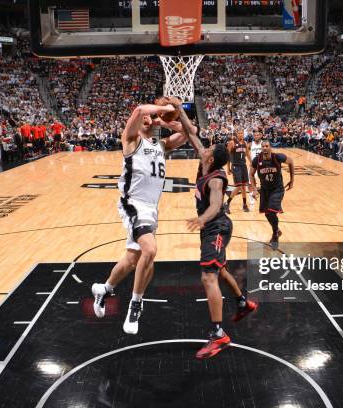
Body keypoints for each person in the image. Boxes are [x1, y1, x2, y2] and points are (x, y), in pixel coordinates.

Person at [91, 99, 189, 335]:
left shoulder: (161, 145)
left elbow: (190, 133)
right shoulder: (131, 139)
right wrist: (164, 110)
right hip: (133, 204)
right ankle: (135, 305)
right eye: (148, 116)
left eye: (152, 117)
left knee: (133, 260)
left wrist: (171, 122)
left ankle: (104, 289)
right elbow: (139, 110)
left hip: (152, 209)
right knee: (151, 250)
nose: (149, 117)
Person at [173, 98, 257, 359]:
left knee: (208, 276)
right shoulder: (204, 161)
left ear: (212, 157)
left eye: (209, 148)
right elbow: (191, 133)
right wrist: (179, 109)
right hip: (212, 227)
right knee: (218, 270)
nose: (205, 148)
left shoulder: (217, 178)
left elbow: (217, 203)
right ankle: (243, 303)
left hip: (216, 226)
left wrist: (202, 218)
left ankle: (219, 334)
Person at [249, 140, 295, 250]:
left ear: (270, 148)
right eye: (263, 146)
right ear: (261, 148)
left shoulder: (278, 157)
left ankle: (275, 235)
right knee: (267, 214)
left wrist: (292, 180)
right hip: (265, 190)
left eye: (267, 146)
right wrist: (254, 189)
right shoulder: (257, 160)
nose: (264, 148)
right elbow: (251, 174)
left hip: (277, 189)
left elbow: (291, 161)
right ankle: (277, 230)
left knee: (271, 211)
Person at [225, 130, 252, 213]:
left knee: (244, 186)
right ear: (236, 134)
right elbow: (227, 156)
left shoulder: (245, 143)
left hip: (243, 166)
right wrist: (228, 168)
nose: (241, 134)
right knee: (239, 186)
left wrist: (252, 163)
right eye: (239, 133)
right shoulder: (232, 143)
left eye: (242, 133)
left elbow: (247, 154)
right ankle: (227, 203)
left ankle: (244, 205)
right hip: (235, 166)